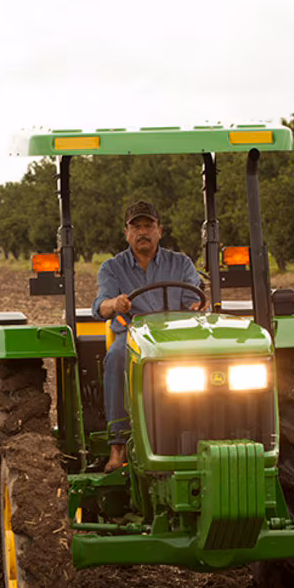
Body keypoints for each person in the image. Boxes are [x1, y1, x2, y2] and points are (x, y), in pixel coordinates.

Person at [91, 201, 202, 472]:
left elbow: (193, 300)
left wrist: (196, 306)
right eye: (136, 227)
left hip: (176, 335)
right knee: (117, 356)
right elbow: (101, 306)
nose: (143, 232)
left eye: (148, 226)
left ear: (159, 231)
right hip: (133, 335)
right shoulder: (112, 268)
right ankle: (118, 445)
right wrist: (116, 303)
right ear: (126, 233)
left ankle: (204, 431)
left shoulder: (181, 263)